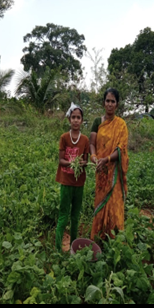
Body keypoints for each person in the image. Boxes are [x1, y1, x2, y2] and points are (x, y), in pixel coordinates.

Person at [89, 88, 129, 242]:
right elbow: (92, 143)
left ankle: (114, 238)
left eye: (113, 101)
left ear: (117, 105)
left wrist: (107, 159)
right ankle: (98, 237)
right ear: (103, 103)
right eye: (107, 101)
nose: (110, 104)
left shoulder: (121, 125)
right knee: (100, 201)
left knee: (114, 204)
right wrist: (94, 157)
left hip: (114, 172)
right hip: (101, 171)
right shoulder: (97, 122)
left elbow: (121, 149)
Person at [55, 102, 90, 252]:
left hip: (79, 183)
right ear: (69, 119)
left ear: (82, 120)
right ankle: (58, 249)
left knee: (75, 216)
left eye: (79, 117)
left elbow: (86, 161)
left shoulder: (85, 140)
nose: (76, 120)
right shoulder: (64, 137)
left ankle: (73, 247)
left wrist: (81, 163)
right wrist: (72, 163)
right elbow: (61, 160)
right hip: (66, 182)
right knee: (63, 216)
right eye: (73, 117)